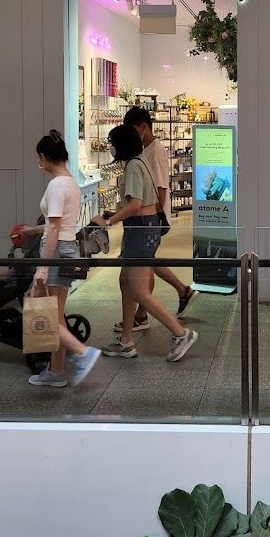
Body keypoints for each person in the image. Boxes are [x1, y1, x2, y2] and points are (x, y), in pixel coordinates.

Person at [94, 124, 198, 362]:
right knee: (126, 283)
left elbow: (135, 205)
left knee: (139, 291)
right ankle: (127, 340)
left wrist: (109, 222)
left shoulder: (132, 166)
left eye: (112, 142)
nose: (110, 147)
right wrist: (115, 213)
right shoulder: (140, 162)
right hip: (142, 228)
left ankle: (181, 333)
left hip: (140, 231)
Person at [27, 130, 101, 388]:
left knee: (45, 315)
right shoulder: (70, 181)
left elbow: (55, 227)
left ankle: (82, 353)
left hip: (56, 252)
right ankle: (56, 371)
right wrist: (32, 230)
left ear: (44, 157)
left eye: (39, 158)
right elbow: (57, 224)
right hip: (67, 249)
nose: (39, 163)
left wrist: (43, 268)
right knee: (56, 315)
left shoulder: (57, 184)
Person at [120, 106, 197, 334]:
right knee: (147, 264)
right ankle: (178, 293)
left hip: (148, 221)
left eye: (133, 130)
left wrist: (152, 215)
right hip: (146, 220)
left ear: (143, 127)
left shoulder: (155, 152)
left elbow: (161, 188)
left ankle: (150, 316)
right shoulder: (145, 152)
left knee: (141, 271)